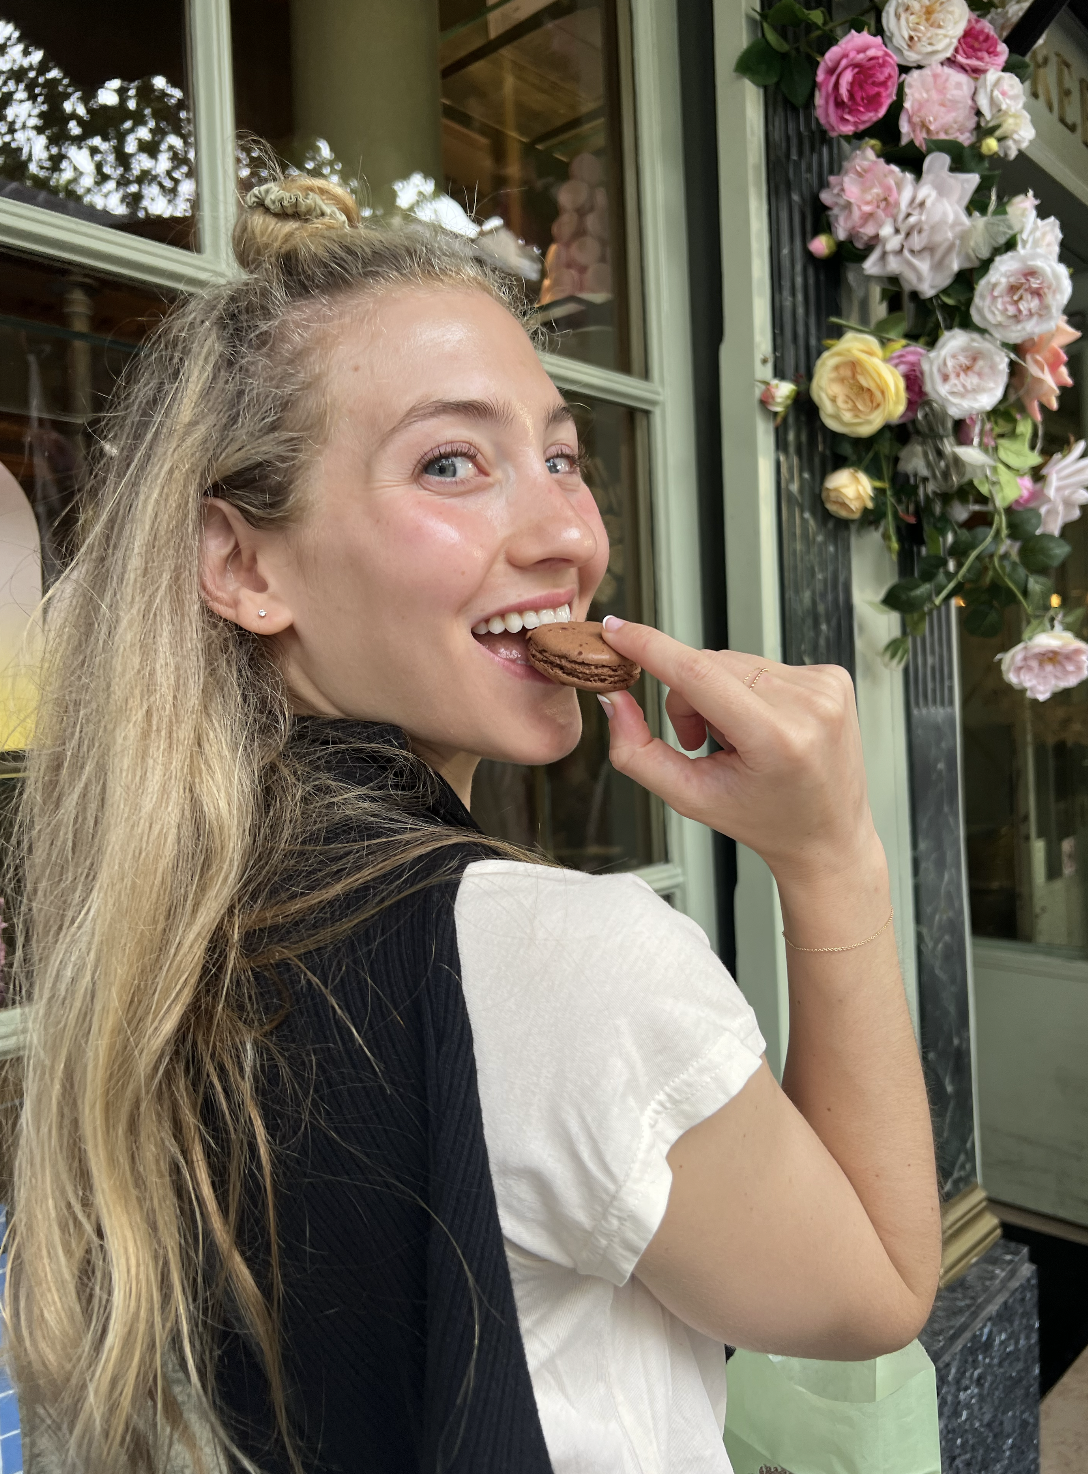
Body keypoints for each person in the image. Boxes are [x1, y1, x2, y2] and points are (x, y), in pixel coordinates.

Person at [3, 176, 940, 1474]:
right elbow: (878, 1290)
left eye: (562, 456)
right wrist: (832, 855)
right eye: (453, 462)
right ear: (244, 564)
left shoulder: (154, 916)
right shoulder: (568, 962)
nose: (567, 534)